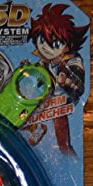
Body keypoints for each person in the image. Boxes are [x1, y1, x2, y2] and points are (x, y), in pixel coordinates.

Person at [27, 3, 88, 155]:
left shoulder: (72, 61)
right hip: (43, 101)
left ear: (67, 46)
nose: (46, 48)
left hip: (61, 103)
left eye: (54, 43)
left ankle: (68, 154)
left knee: (63, 143)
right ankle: (37, 129)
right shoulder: (44, 62)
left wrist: (67, 80)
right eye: (42, 41)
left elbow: (78, 82)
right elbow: (35, 76)